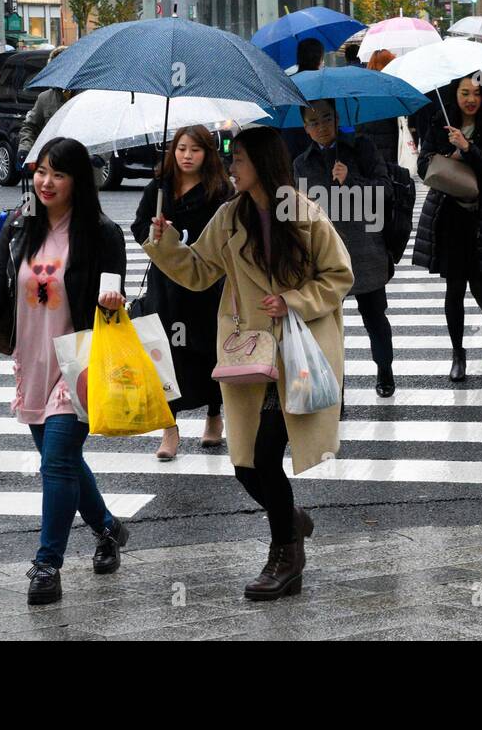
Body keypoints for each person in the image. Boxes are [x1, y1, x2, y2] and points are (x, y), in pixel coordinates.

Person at [144, 127, 353, 601]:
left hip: (297, 353)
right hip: (248, 353)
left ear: (262, 162)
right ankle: (291, 519)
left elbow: (340, 275)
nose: (231, 167)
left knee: (264, 454)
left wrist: (296, 300)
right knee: (243, 464)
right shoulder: (230, 217)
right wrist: (167, 244)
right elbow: (198, 272)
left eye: (238, 159)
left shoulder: (302, 214)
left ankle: (285, 555)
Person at [0, 137, 130, 606]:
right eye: (41, 172)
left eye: (58, 173)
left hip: (78, 360)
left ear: (78, 180)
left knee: (55, 460)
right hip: (31, 359)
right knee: (66, 463)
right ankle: (109, 529)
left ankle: (46, 565)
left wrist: (112, 301)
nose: (46, 182)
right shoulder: (20, 225)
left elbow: (115, 301)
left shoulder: (101, 233)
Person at [130, 126, 233, 460]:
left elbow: (227, 235)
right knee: (166, 356)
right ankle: (169, 428)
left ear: (208, 154)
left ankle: (214, 416)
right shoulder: (160, 187)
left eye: (196, 150)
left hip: (205, 284)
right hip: (166, 284)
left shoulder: (220, 190)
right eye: (181, 149)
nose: (187, 156)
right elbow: (138, 226)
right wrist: (156, 232)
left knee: (209, 351)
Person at [413, 74, 482, 382]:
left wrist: (468, 148)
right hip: (449, 216)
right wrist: (447, 155)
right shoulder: (439, 121)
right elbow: (422, 166)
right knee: (454, 288)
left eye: (476, 93)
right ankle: (458, 353)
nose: (470, 99)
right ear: (454, 94)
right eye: (464, 92)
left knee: (481, 286)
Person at [294, 100, 395, 397]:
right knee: (327, 325)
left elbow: (385, 191)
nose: (321, 126)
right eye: (313, 122)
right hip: (324, 255)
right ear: (305, 129)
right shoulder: (301, 163)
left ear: (337, 119)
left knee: (374, 316)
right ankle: (334, 385)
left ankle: (385, 369)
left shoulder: (362, 148)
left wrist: (350, 179)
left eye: (326, 118)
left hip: (365, 249)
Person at [18, 87, 80, 162]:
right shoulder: (45, 97)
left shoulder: (86, 97)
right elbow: (30, 126)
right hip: (50, 158)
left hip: (78, 158)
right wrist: (25, 148)